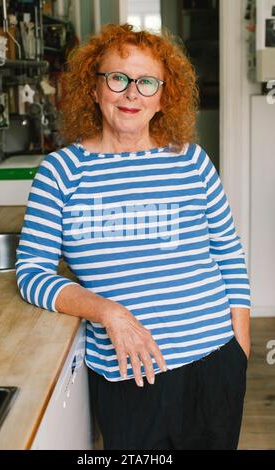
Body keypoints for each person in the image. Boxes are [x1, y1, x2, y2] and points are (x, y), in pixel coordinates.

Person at [16, 24, 251, 450]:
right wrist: (108, 312)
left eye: (146, 82)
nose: (131, 94)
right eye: (118, 78)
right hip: (128, 373)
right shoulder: (60, 173)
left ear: (163, 96)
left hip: (214, 362)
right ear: (93, 87)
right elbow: (32, 272)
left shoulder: (192, 161)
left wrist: (240, 351)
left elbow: (229, 255)